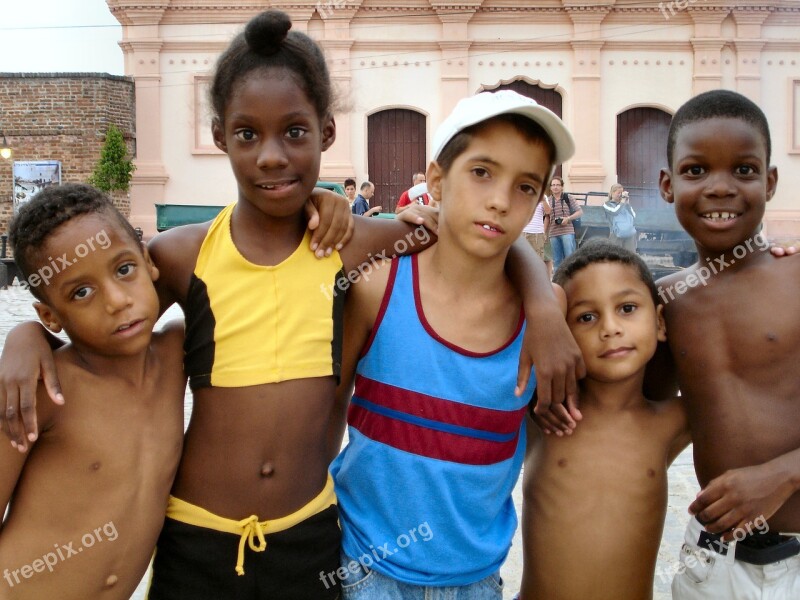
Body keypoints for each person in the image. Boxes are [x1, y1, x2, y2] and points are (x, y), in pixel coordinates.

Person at [0, 11, 583, 599]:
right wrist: (25, 339)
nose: (272, 156)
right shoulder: (184, 255)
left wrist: (542, 303)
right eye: (247, 134)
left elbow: (475, 238)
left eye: (295, 133)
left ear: (327, 132)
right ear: (219, 134)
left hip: (308, 537)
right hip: (197, 536)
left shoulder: (353, 242)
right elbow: (95, 296)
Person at [330, 89, 576, 599]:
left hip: (475, 581)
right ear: (437, 180)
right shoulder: (378, 288)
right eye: (482, 172)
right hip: (362, 571)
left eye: (526, 186)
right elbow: (327, 412)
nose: (500, 200)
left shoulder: (543, 319)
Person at [0, 184, 187, 600]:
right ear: (50, 316)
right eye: (80, 293)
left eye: (124, 269)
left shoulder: (178, 355)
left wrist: (314, 203)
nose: (118, 301)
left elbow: (234, 239)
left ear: (148, 261)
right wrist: (24, 335)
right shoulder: (41, 390)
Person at [652, 89, 800, 598]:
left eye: (743, 170)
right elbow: (633, 408)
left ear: (770, 181)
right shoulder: (666, 304)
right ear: (668, 185)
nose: (720, 188)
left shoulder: (797, 276)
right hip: (711, 563)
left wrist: (783, 474)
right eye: (696, 171)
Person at [518, 239, 690, 600]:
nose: (610, 328)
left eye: (627, 308)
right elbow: (508, 256)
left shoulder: (671, 422)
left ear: (660, 323)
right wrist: (546, 308)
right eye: (586, 317)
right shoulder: (542, 409)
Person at [548, 176, 582, 270]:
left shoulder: (568, 197)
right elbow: (546, 217)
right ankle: (557, 282)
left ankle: (571, 280)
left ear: (562, 187)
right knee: (556, 261)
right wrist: (544, 232)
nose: (555, 187)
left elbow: (580, 212)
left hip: (567, 232)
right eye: (553, 185)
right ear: (550, 187)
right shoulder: (548, 200)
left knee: (570, 258)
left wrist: (568, 218)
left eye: (558, 185)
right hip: (553, 233)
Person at [522, 195, 552, 276]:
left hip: (537, 233)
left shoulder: (544, 197)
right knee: (522, 257)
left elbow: (548, 212)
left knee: (537, 259)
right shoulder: (523, 194)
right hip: (522, 231)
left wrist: (543, 200)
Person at [603, 183, 638, 252]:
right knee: (615, 256)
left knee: (630, 255)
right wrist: (621, 203)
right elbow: (614, 212)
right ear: (612, 193)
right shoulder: (607, 204)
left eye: (621, 193)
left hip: (629, 233)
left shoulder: (624, 205)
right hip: (616, 234)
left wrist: (627, 204)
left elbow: (634, 216)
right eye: (618, 193)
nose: (620, 195)